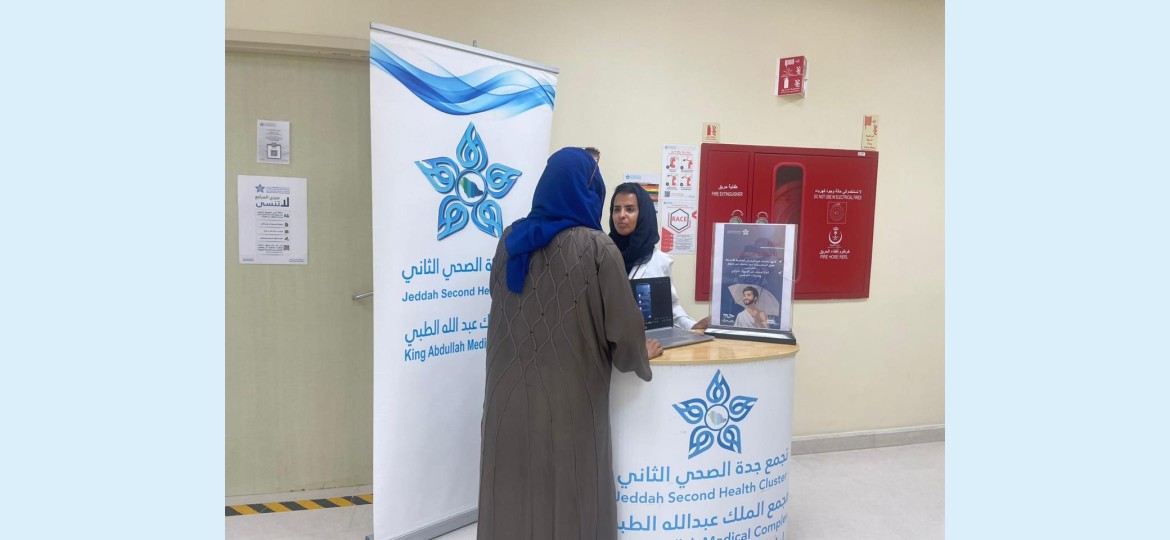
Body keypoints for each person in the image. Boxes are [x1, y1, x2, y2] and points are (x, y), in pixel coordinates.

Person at [478, 147, 662, 540]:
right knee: (571, 487)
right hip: (569, 397)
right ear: (589, 190)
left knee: (510, 485)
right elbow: (624, 329)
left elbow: (498, 298)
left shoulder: (511, 239)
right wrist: (637, 353)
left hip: (504, 394)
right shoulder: (597, 247)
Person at [608, 182, 710, 331]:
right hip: (609, 342)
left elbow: (670, 308)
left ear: (643, 214)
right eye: (616, 209)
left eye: (630, 209)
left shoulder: (659, 260)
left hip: (652, 341)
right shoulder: (603, 255)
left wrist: (692, 326)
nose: (621, 215)